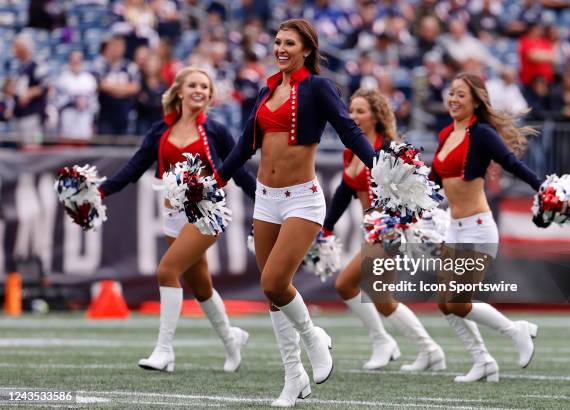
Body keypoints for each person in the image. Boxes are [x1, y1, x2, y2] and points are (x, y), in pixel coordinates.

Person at [214, 19, 377, 407]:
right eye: (277, 42)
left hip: (302, 199)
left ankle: (314, 338)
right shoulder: (267, 88)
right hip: (266, 199)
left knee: (274, 282)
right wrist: (214, 181)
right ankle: (293, 377)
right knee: (271, 296)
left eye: (289, 43)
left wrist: (380, 167)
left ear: (307, 49)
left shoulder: (318, 87)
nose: (281, 49)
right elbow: (244, 145)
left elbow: (350, 132)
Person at [98, 66, 256, 373]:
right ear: (179, 91)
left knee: (167, 270)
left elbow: (239, 170)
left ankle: (164, 349)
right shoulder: (160, 131)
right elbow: (134, 167)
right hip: (172, 215)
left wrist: (264, 201)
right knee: (201, 286)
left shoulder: (216, 130)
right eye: (194, 85)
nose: (200, 90)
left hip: (208, 213)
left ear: (210, 96)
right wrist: (103, 190)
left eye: (205, 87)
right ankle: (231, 339)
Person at [324, 88, 446, 372]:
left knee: (368, 292)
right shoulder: (350, 149)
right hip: (373, 230)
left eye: (360, 111)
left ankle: (419, 348)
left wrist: (397, 224)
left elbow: (412, 190)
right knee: (368, 293)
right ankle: (405, 346)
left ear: (376, 116)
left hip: (390, 230)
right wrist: (327, 227)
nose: (353, 116)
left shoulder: (388, 148)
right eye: (351, 111)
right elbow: (344, 191)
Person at [430, 72, 540, 383]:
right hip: (454, 227)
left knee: (458, 302)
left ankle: (515, 330)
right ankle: (483, 361)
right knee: (444, 302)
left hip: (478, 228)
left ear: (477, 101)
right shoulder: (444, 134)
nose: (453, 99)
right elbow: (434, 183)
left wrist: (541, 186)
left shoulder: (481, 134)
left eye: (461, 94)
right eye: (451, 92)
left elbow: (511, 164)